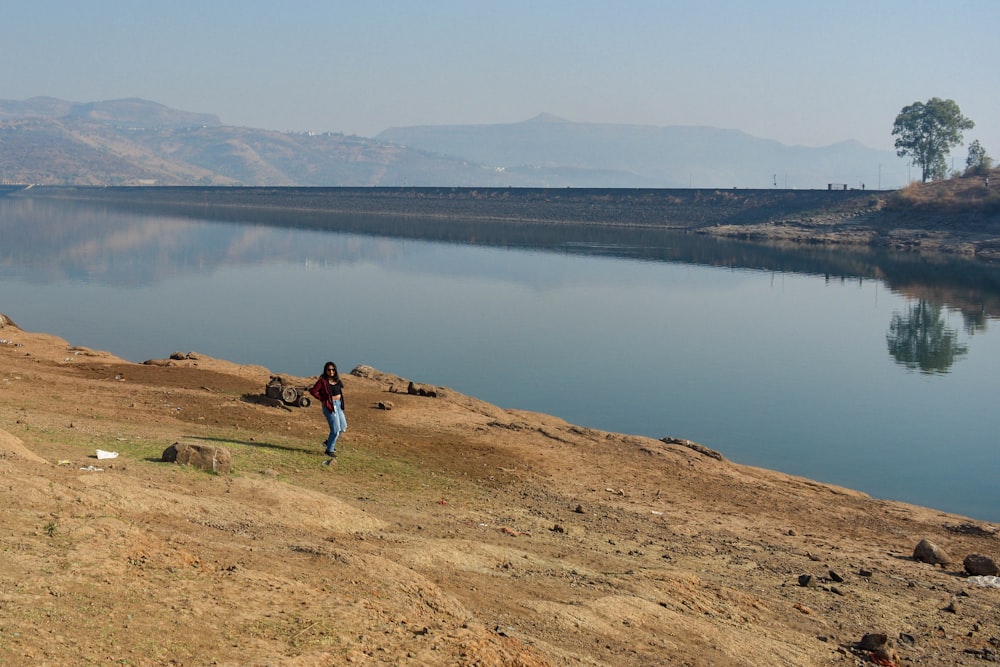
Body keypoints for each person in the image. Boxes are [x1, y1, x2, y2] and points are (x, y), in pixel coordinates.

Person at [309, 361, 347, 459]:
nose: (331, 371)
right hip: (330, 407)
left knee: (342, 427)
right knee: (335, 430)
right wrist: (323, 399)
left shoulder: (337, 380)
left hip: (338, 406)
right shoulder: (323, 381)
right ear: (325, 371)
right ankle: (329, 450)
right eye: (329, 370)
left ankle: (328, 442)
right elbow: (313, 391)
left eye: (333, 369)